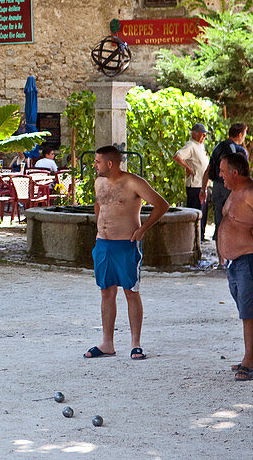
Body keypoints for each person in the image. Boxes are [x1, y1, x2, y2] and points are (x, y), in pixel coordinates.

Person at [83, 145, 169, 361]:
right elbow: (98, 205)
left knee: (131, 291)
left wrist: (142, 229)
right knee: (106, 291)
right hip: (103, 244)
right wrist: (98, 229)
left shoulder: (133, 182)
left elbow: (162, 205)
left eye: (97, 161)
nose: (94, 165)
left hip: (126, 245)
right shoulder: (99, 182)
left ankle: (135, 343)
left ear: (109, 164)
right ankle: (107, 343)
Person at [217, 152, 253, 380]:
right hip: (236, 262)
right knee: (247, 310)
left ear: (235, 172)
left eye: (223, 171)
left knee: (250, 311)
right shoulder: (235, 192)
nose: (220, 175)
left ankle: (249, 362)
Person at [203, 123, 248, 263]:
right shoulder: (238, 150)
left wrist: (203, 188)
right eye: (245, 134)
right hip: (232, 188)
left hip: (217, 186)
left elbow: (208, 168)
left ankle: (221, 259)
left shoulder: (218, 147)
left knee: (219, 221)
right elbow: (243, 172)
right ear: (239, 134)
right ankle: (234, 257)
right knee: (236, 220)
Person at [173, 123, 210, 238]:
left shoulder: (200, 146)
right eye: (202, 135)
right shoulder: (190, 145)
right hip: (195, 185)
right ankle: (194, 237)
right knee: (196, 212)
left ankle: (201, 236)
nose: (204, 137)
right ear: (194, 134)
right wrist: (188, 168)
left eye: (205, 135)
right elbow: (177, 156)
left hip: (202, 184)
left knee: (203, 212)